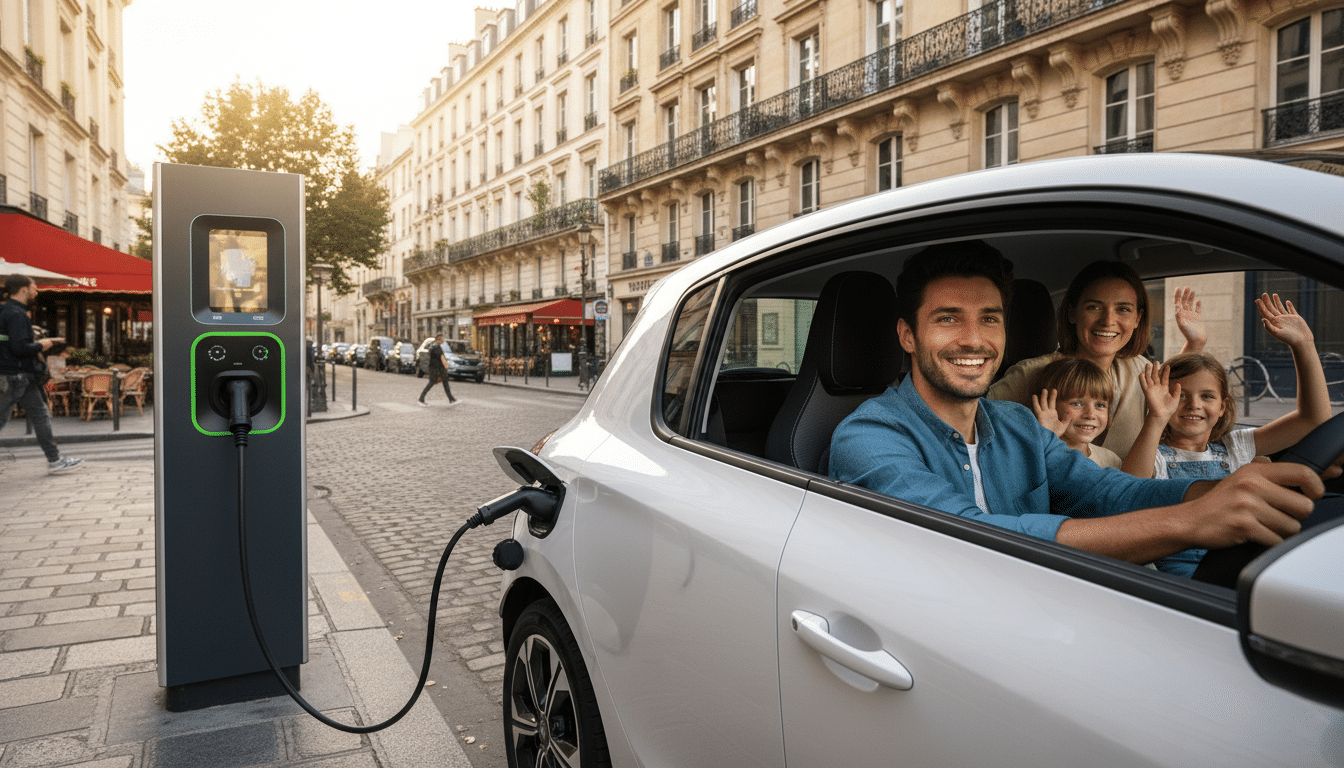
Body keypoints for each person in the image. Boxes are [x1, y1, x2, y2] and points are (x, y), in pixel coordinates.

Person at [828, 242, 1335, 570]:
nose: (973, 340)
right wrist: (1190, 522)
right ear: (907, 336)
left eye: (989, 319)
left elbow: (1108, 491)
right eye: (947, 319)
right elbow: (968, 536)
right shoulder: (869, 436)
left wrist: (1223, 488)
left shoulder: (1017, 425)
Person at [1116, 294, 1333, 574]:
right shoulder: (1153, 454)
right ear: (1162, 399)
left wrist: (1304, 347)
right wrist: (1156, 417)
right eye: (1180, 396)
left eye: (1207, 396)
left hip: (1238, 559)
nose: (1194, 404)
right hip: (1181, 569)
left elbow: (1312, 420)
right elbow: (1128, 492)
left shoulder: (1235, 446)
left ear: (1223, 407)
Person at [988, 262, 1206, 460]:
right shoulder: (1030, 374)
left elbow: (1172, 394)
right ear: (1073, 313)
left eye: (1123, 309)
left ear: (1137, 319)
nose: (1108, 321)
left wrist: (1194, 345)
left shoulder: (1139, 370)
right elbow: (979, 434)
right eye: (1094, 307)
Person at [0, 275, 83, 473]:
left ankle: (55, 460)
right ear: (23, 290)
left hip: (11, 375)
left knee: (39, 415)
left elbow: (7, 341)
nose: (36, 291)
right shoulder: (18, 314)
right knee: (38, 416)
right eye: (33, 288)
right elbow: (19, 348)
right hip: (18, 375)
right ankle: (54, 461)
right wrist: (41, 344)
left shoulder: (3, 311)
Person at [1028, 357, 1123, 469]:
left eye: (1100, 405)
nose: (1090, 415)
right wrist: (1048, 439)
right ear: (1049, 404)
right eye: (1076, 404)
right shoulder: (1036, 456)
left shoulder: (1112, 461)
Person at [418, 334, 458, 406]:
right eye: (441, 340)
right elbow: (440, 357)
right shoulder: (435, 347)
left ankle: (451, 399)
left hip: (438, 368)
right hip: (436, 369)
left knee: (445, 383)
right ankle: (421, 398)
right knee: (432, 383)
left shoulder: (436, 347)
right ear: (438, 340)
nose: (443, 341)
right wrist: (445, 366)